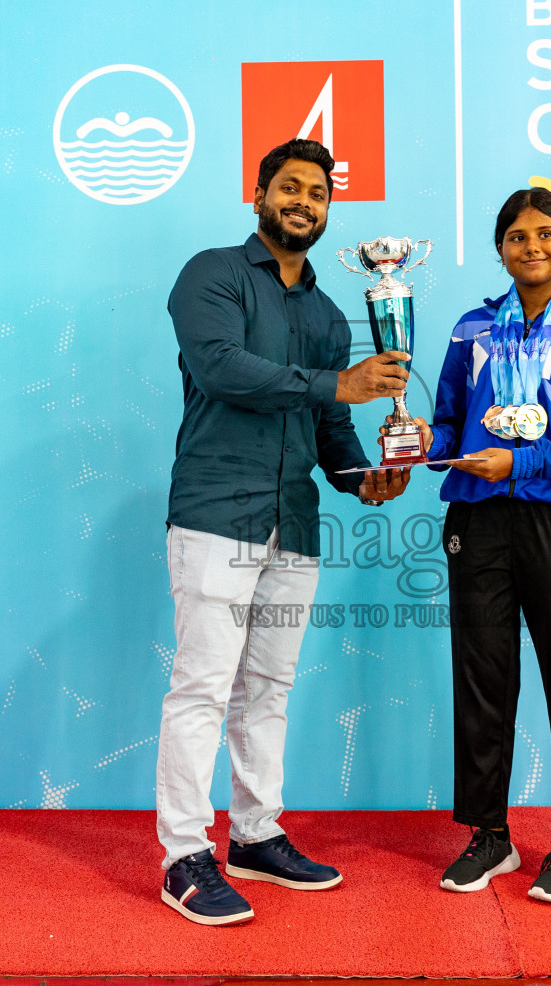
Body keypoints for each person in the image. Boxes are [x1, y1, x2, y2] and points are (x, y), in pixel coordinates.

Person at [157, 138, 412, 926]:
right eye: (289, 188)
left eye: (318, 194)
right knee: (203, 684)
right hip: (216, 513)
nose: (304, 202)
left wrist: (366, 479)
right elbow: (224, 370)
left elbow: (329, 429)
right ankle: (182, 856)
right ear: (259, 194)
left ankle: (255, 835)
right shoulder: (212, 275)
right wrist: (338, 382)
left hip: (295, 523)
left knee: (268, 687)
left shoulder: (332, 314)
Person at [421, 187, 551, 905]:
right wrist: (427, 443)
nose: (532, 246)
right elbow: (450, 422)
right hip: (478, 516)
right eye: (516, 235)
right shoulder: (472, 327)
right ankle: (489, 834)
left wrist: (523, 463)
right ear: (501, 249)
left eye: (546, 234)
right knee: (481, 678)